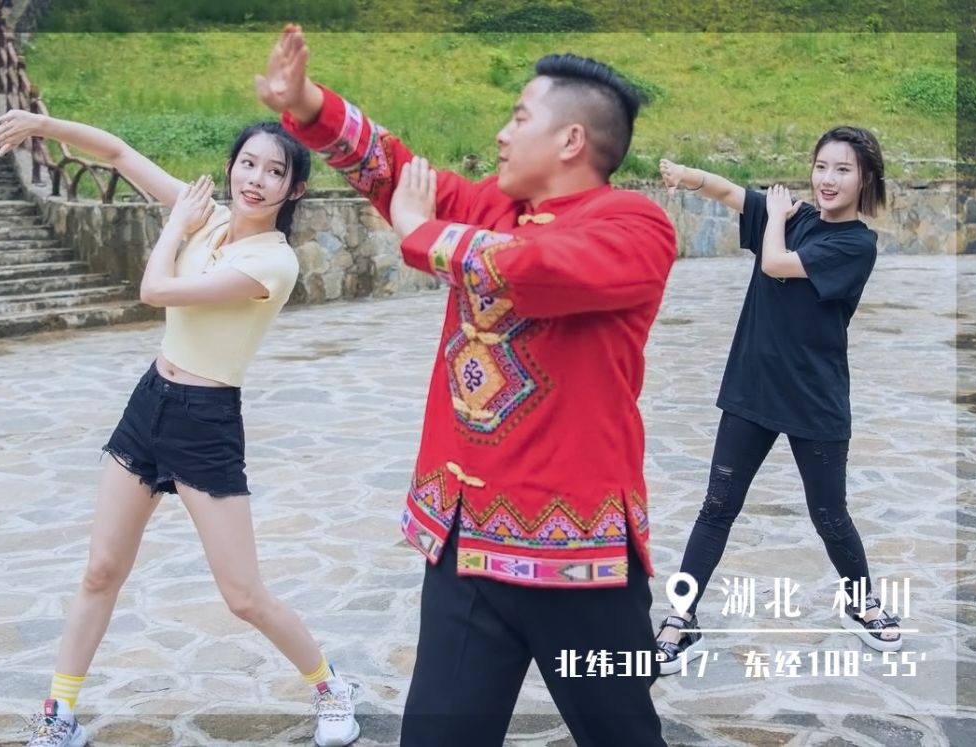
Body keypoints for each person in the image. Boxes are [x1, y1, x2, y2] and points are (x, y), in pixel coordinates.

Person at [255, 24, 676, 747]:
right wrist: (310, 105)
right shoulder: (491, 207)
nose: (502, 135)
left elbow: (535, 267)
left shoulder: (635, 225)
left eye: (518, 117)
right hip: (463, 545)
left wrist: (420, 235)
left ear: (571, 140)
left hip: (579, 563)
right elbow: (396, 173)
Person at [0, 111, 360, 747]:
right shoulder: (206, 216)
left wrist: (174, 226)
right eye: (248, 163)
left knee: (243, 596)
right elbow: (118, 152)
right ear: (232, 166)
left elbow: (155, 290)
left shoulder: (273, 263)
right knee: (100, 570)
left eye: (274, 172)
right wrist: (41, 124)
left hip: (205, 423)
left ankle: (331, 688)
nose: (256, 179)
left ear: (294, 189)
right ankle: (59, 713)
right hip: (150, 404)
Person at [654, 127, 900, 675]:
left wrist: (777, 220)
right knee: (716, 508)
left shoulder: (856, 244)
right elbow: (730, 193)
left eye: (843, 169)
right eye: (821, 166)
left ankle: (862, 604)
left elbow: (776, 264)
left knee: (830, 515)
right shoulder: (795, 216)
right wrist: (688, 176)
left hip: (815, 400)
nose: (828, 179)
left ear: (865, 179)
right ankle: (680, 618)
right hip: (753, 390)